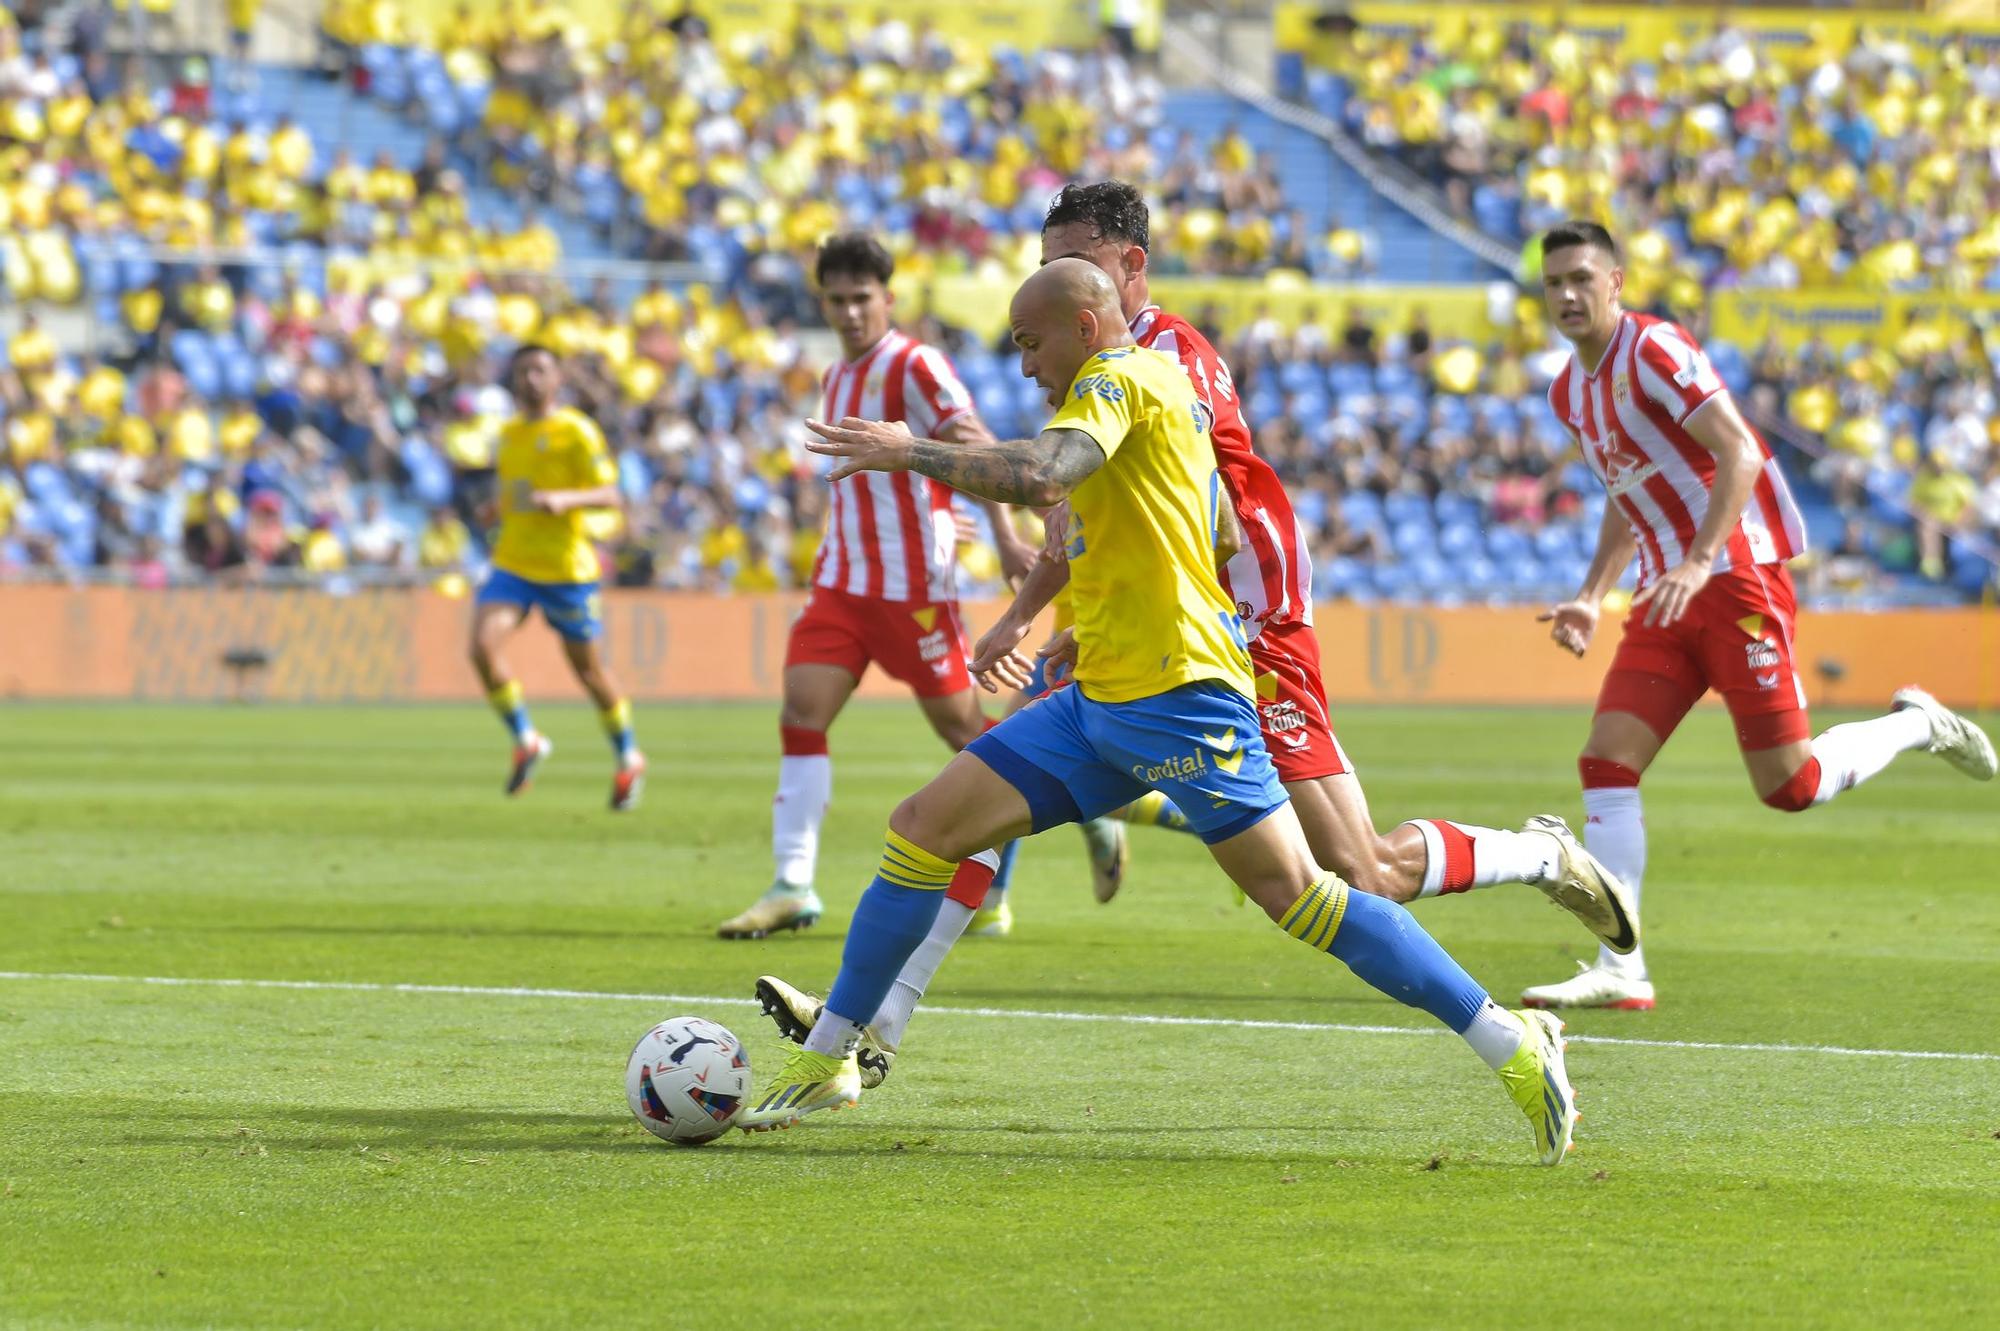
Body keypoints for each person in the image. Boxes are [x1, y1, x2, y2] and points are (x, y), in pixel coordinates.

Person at [750, 183, 1636, 1088]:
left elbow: (1165, 506)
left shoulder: (1163, 360)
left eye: (1077, 261)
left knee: (1355, 869)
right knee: (958, 802)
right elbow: (1105, 509)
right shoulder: (1096, 366)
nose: (1054, 280)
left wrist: (1058, 587)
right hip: (1145, 636)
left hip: (1243, 623)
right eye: (1046, 260)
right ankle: (871, 1027)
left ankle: (1537, 858)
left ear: (1127, 269)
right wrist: (1056, 613)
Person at [1525, 219, 1996, 1011]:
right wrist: (1590, 591)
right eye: (1553, 283)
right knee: (1607, 761)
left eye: (1582, 277)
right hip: (1664, 595)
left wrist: (1701, 558)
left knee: (1791, 784)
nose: (1567, 294)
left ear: (1617, 282)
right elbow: (1623, 489)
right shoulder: (1568, 390)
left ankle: (1917, 724)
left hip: (1735, 576)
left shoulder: (1656, 350)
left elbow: (1741, 450)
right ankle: (1622, 966)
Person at [714, 234, 1037, 940]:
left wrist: (1008, 534)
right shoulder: (836, 376)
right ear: (823, 304)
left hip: (912, 591)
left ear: (887, 299)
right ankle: (793, 883)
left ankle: (1040, 849)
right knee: (802, 711)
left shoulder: (915, 364)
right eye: (838, 300)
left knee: (969, 738)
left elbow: (976, 441)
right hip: (841, 584)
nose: (852, 311)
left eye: (864, 298)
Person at [468, 344, 646, 811]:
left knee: (588, 672)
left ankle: (628, 754)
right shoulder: (508, 435)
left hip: (567, 570)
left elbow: (611, 495)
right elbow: (514, 495)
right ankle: (525, 738)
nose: (530, 379)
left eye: (539, 370)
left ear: (556, 379)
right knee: (482, 648)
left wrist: (565, 500)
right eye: (522, 370)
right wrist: (495, 510)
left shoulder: (576, 431)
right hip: (513, 563)